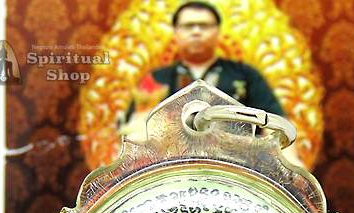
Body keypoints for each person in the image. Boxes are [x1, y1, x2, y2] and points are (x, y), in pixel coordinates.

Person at [123, 1, 303, 166]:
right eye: (188, 26)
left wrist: (289, 164)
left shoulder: (246, 75)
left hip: (237, 168)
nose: (196, 31)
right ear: (176, 32)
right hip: (170, 170)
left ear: (217, 31)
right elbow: (137, 133)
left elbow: (274, 128)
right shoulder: (156, 79)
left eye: (204, 26)